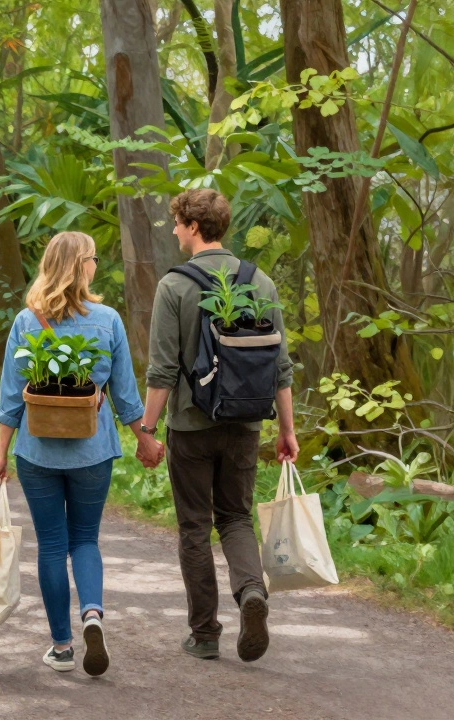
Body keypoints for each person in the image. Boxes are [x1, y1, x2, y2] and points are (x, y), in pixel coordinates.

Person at [0, 231, 155, 677]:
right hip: (93, 451)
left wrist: (1, 454)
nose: (96, 265)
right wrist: (144, 438)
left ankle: (61, 646)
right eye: (93, 259)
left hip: (38, 452)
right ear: (83, 265)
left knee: (52, 545)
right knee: (85, 540)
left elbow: (11, 397)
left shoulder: (27, 321)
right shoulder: (107, 320)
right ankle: (93, 614)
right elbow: (125, 394)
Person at [140, 188, 296, 663]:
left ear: (191, 225)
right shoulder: (260, 281)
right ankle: (252, 591)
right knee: (235, 517)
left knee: (194, 526)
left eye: (176, 223)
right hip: (247, 422)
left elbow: (162, 370)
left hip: (190, 424)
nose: (173, 230)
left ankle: (205, 633)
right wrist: (287, 431)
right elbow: (280, 367)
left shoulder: (175, 286)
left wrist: (146, 429)